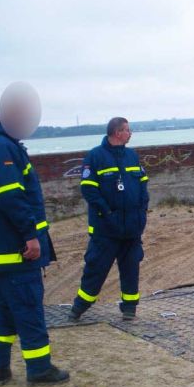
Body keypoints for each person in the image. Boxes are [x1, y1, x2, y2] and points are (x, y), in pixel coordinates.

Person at [0, 82, 70, 385]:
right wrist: (30, 235)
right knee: (27, 307)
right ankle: (39, 369)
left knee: (2, 311)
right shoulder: (2, 149)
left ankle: (0, 369)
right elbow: (11, 197)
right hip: (14, 250)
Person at [70, 117, 149, 321]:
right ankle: (79, 308)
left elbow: (142, 186)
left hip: (131, 228)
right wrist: (107, 214)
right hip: (106, 230)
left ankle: (130, 308)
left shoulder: (132, 156)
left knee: (131, 269)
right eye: (127, 130)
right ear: (117, 133)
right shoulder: (95, 157)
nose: (130, 134)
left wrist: (141, 214)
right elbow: (89, 190)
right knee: (96, 269)